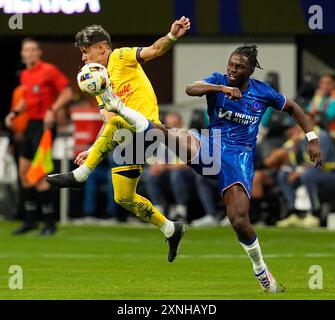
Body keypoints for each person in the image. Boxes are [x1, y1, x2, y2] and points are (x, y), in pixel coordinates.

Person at [88, 45, 322, 293]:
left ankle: (261, 271)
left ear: (251, 70)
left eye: (239, 66)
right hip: (211, 144)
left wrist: (312, 138)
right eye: (231, 63)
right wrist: (221, 88)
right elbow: (191, 88)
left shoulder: (263, 92)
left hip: (238, 157)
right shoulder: (218, 81)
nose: (232, 69)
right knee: (164, 132)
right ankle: (119, 107)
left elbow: (294, 108)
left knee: (240, 221)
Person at [47, 18, 191, 262]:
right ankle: (170, 228)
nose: (83, 58)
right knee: (123, 197)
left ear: (102, 49)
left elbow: (155, 50)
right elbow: (109, 120)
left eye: (85, 52)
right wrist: (94, 149)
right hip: (128, 137)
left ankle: (80, 175)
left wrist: (173, 35)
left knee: (116, 122)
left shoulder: (121, 57)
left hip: (148, 127)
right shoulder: (100, 84)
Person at [5, 38, 73, 236]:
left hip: (45, 127)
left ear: (39, 52)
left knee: (39, 174)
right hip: (31, 125)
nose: (30, 53)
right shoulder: (25, 74)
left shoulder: (49, 70)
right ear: (22, 54)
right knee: (24, 173)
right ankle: (31, 220)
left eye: (33, 50)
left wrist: (53, 109)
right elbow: (27, 99)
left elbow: (67, 93)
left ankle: (50, 223)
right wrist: (15, 113)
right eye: (27, 50)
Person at [142, 112, 194, 223]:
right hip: (169, 171)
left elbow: (185, 164)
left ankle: (181, 211)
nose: (172, 127)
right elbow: (160, 160)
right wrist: (156, 167)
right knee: (150, 174)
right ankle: (158, 210)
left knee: (177, 173)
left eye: (174, 124)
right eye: (169, 124)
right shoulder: (165, 135)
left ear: (181, 123)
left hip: (188, 172)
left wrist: (165, 167)